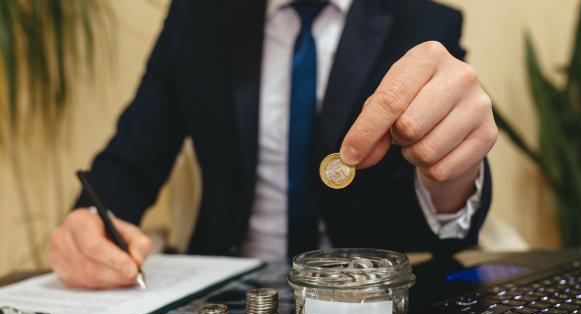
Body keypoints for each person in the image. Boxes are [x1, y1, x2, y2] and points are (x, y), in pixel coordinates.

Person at [49, 0, 497, 289]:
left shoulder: (425, 20)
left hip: (370, 305)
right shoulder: (196, 17)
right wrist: (89, 225)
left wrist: (454, 171)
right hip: (225, 304)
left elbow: (446, 196)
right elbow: (129, 164)